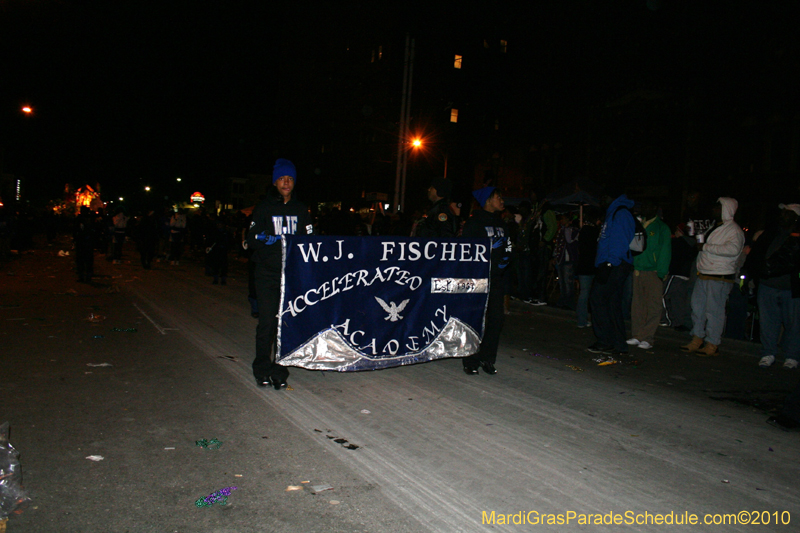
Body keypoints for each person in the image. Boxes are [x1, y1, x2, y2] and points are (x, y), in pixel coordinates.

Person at [246, 158, 313, 390]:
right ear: (275, 182)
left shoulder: (301, 209)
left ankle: (279, 370)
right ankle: (262, 369)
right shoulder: (264, 207)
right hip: (267, 274)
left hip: (291, 275)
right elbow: (251, 239)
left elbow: (310, 242)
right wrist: (264, 237)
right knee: (267, 322)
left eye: (291, 179)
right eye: (282, 178)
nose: (287, 182)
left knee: (285, 324)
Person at [681, 197, 745, 356]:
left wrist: (706, 247)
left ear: (727, 209)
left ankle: (712, 342)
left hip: (720, 275)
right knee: (698, 308)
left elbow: (733, 250)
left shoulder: (734, 230)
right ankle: (697, 338)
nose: (714, 210)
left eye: (718, 208)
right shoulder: (714, 226)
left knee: (714, 311)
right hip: (705, 273)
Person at [461, 186, 512, 375]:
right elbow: (467, 251)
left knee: (497, 319)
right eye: (498, 197)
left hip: (496, 279)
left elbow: (508, 246)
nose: (502, 200)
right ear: (488, 200)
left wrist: (505, 260)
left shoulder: (502, 223)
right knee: (475, 320)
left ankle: (488, 358)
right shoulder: (474, 223)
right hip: (478, 279)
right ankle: (471, 360)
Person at [748, 203, 800, 369]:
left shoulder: (796, 237)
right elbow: (756, 256)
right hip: (767, 285)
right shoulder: (771, 233)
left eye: (788, 213)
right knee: (768, 322)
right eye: (783, 213)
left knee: (793, 323)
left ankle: (792, 355)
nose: (783, 216)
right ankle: (768, 352)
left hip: (790, 288)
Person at [587, 193, 635, 357]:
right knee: (612, 304)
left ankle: (606, 341)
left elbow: (619, 242)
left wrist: (608, 264)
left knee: (598, 299)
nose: (601, 200)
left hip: (614, 264)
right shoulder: (613, 212)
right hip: (613, 263)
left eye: (603, 197)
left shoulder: (620, 213)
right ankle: (618, 344)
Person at [627, 200, 671, 350]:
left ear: (654, 208)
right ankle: (637, 334)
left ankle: (648, 337)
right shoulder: (640, 224)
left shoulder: (661, 227)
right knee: (638, 305)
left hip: (653, 270)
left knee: (653, 306)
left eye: (646, 205)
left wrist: (661, 272)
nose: (643, 208)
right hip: (638, 269)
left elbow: (665, 251)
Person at [529, 192, 557, 305]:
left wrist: (544, 240)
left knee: (541, 272)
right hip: (537, 246)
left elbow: (553, 226)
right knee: (536, 272)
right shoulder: (537, 209)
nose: (531, 197)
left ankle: (541, 297)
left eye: (533, 194)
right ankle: (536, 295)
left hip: (544, 247)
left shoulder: (546, 210)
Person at [575, 208, 600, 328]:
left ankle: (582, 320)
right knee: (589, 294)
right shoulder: (595, 231)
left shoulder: (584, 230)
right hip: (592, 265)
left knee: (584, 293)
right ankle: (588, 319)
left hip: (584, 265)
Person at [552, 213, 579, 310]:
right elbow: (558, 245)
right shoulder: (561, 230)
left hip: (568, 260)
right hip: (561, 259)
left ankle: (569, 301)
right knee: (562, 282)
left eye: (563, 219)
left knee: (568, 282)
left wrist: (566, 229)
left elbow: (569, 240)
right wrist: (555, 256)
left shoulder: (573, 230)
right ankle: (563, 300)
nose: (561, 221)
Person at [73, 206, 95, 283]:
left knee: (81, 259)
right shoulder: (90, 219)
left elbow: (75, 229)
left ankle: (82, 276)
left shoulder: (80, 219)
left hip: (82, 241)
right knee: (87, 260)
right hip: (87, 241)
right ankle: (87, 276)